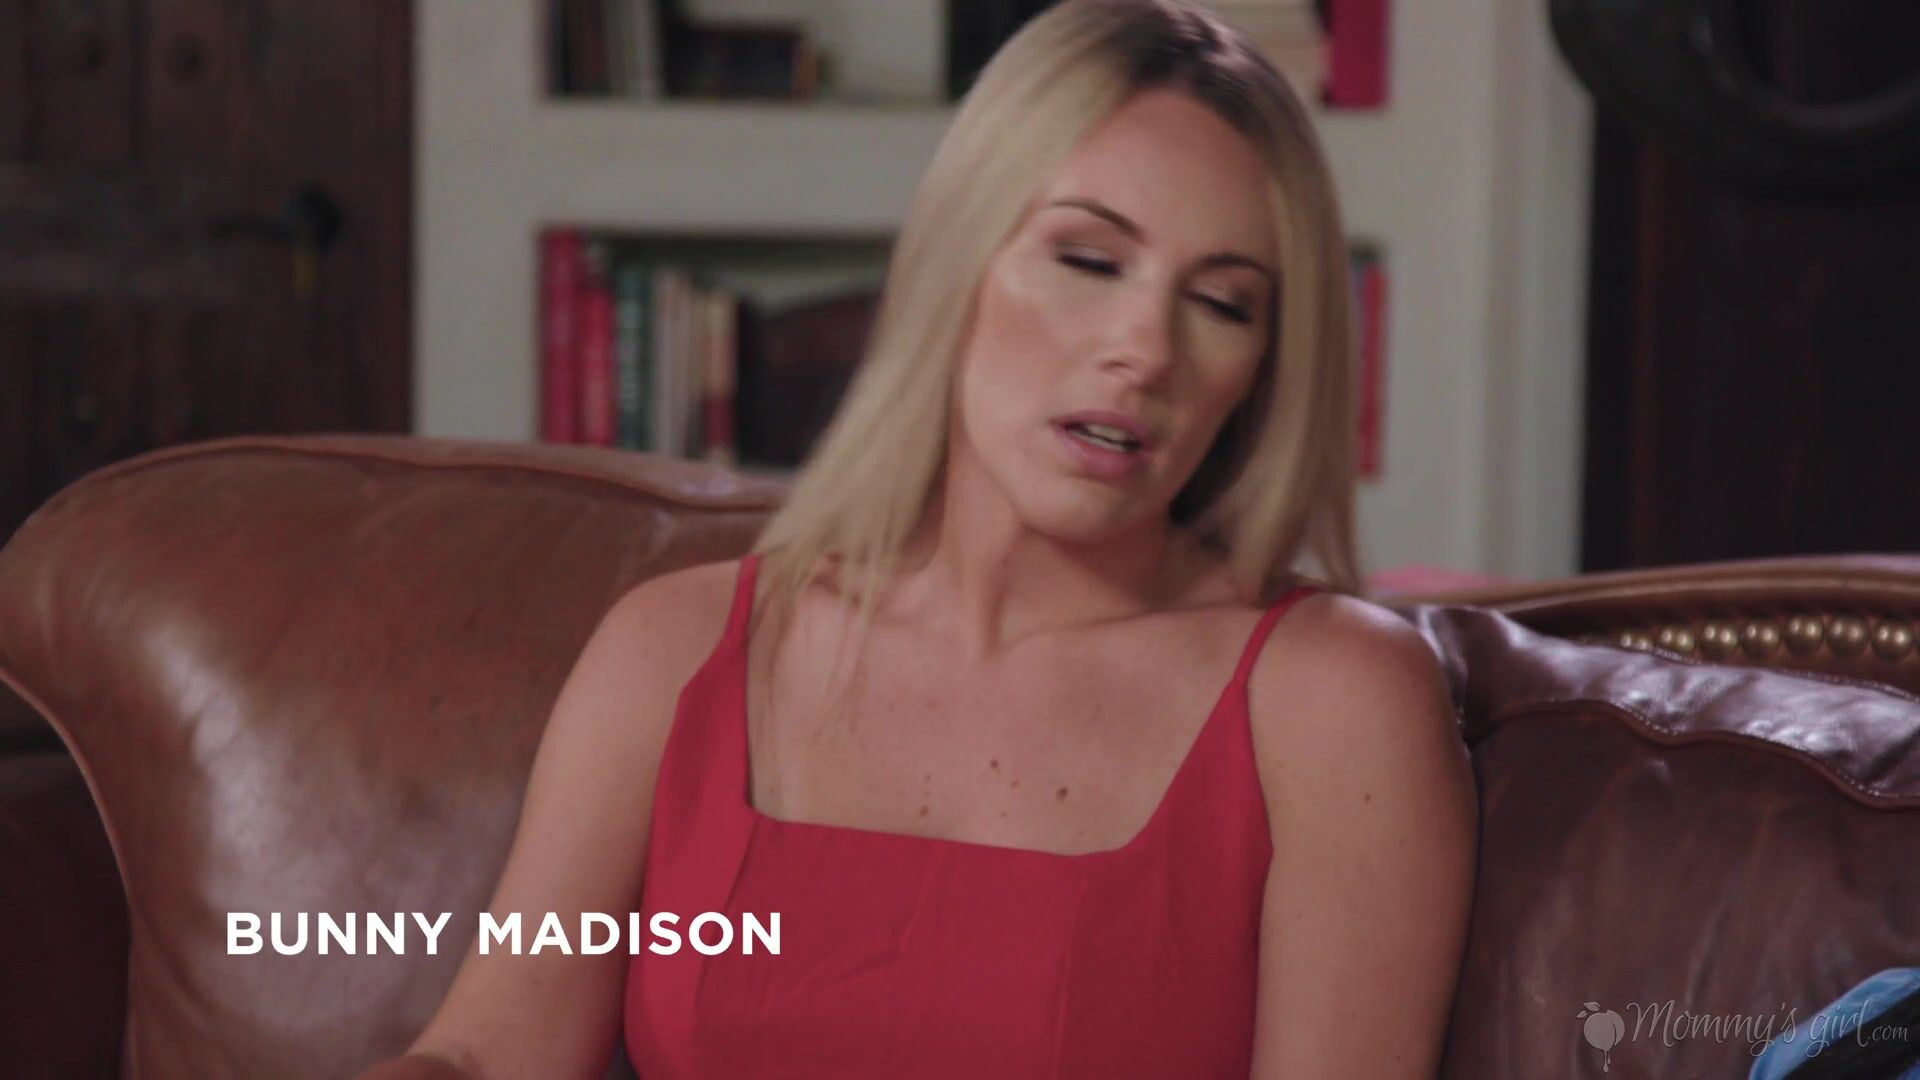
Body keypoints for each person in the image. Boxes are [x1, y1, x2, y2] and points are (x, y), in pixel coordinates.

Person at [359, 1, 1476, 1076]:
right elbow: (483, 1055)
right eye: (1089, 261)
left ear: (1264, 370)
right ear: (956, 262)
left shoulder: (1333, 705)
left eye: (1223, 304)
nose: (1145, 349)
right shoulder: (672, 652)